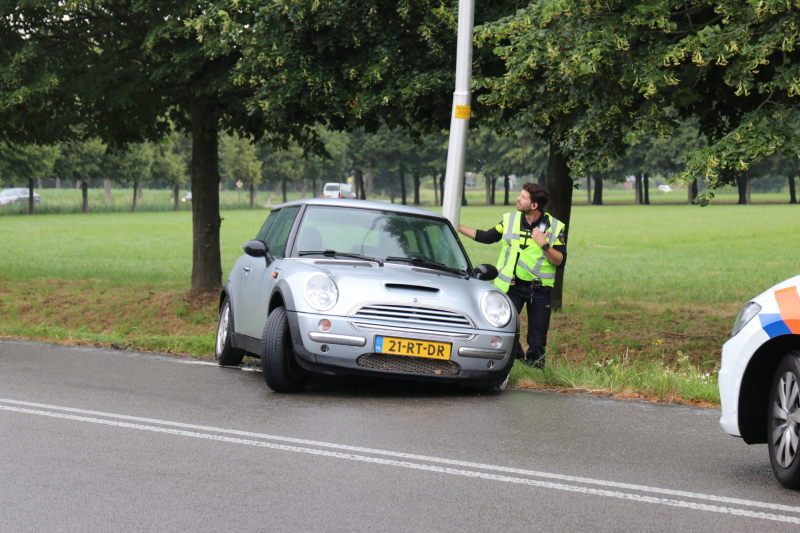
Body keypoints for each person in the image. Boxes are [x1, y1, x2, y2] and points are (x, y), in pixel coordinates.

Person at [459, 183, 566, 368]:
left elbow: (560, 261)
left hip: (539, 289)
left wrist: (544, 244)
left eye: (523, 197)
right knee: (503, 326)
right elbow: (487, 236)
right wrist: (455, 226)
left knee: (537, 337)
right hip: (512, 287)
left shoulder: (554, 227)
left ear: (534, 205)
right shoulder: (510, 220)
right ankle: (515, 363)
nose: (518, 198)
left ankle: (535, 370)